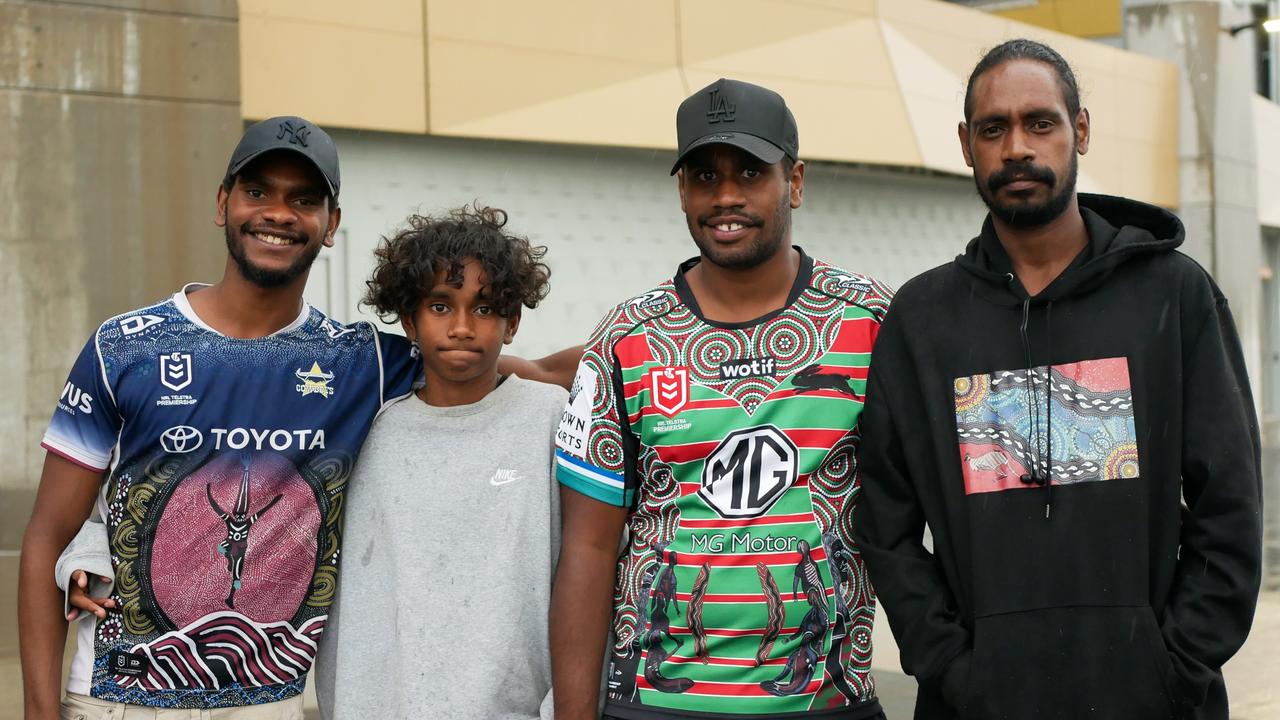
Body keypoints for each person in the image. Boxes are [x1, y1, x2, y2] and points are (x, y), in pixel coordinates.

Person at [19, 117, 573, 719]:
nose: (278, 213)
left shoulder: (360, 363)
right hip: (117, 701)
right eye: (258, 192)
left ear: (330, 224)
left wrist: (662, 346)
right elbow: (46, 538)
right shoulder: (124, 348)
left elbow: (526, 367)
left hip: (270, 705)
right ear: (223, 203)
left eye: (304, 199)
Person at [853, 39, 1263, 720]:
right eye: (994, 128)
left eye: (1039, 122)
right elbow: (886, 526)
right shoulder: (923, 322)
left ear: (1081, 128)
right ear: (965, 144)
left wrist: (1176, 666)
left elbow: (1232, 505)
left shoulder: (1174, 295)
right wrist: (953, 668)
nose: (1017, 147)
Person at [550, 78, 892, 720]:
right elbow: (589, 549)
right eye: (705, 176)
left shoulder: (871, 322)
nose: (726, 196)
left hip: (828, 702)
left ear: (794, 181)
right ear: (682, 190)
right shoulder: (628, 338)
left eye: (750, 173)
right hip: (657, 703)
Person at [313, 206, 566, 719]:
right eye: (440, 306)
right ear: (409, 319)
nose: (462, 327)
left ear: (512, 322)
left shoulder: (550, 418)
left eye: (485, 308)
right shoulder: (366, 427)